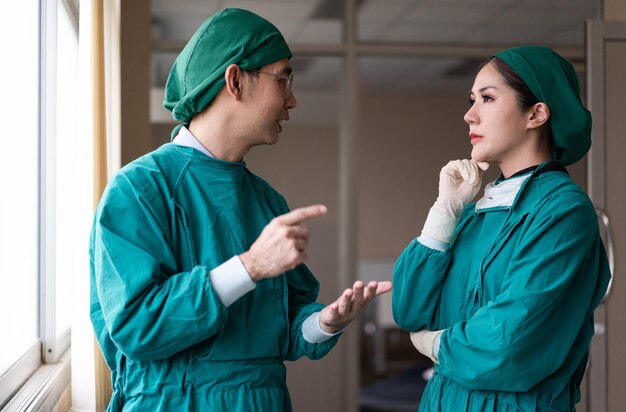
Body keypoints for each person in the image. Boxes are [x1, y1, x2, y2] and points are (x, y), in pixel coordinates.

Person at [90, 8, 392, 411]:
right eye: (282, 78)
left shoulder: (267, 201)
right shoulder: (140, 189)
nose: (292, 99)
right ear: (234, 81)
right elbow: (137, 326)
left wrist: (324, 323)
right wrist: (248, 267)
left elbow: (285, 327)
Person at [392, 46, 611, 411]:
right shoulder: (473, 211)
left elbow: (507, 345)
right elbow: (409, 309)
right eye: (471, 99)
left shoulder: (563, 211)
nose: (469, 115)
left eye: (487, 99)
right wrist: (443, 212)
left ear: (537, 113)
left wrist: (435, 344)